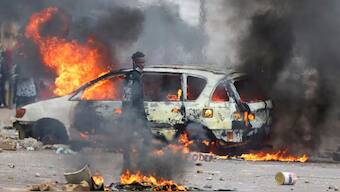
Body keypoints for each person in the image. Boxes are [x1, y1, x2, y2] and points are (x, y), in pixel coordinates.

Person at [121, 51, 151, 172]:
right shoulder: (134, 76)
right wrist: (139, 114)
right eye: (140, 62)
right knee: (146, 137)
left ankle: (130, 164)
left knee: (130, 139)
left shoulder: (132, 76)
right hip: (134, 114)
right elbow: (131, 97)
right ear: (134, 62)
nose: (143, 64)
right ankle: (137, 165)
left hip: (131, 113)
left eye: (144, 62)